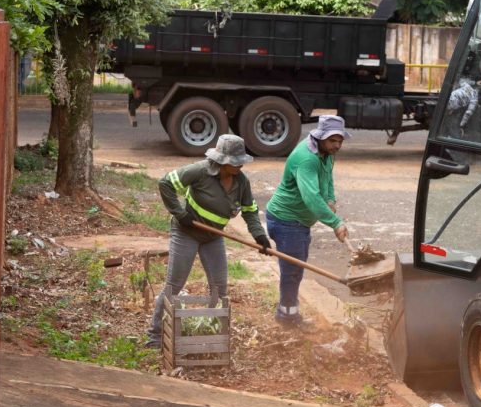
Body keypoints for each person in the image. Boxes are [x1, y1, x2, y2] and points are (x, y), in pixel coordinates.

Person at [145, 134, 271, 348]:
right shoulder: (201, 171)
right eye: (235, 161)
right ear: (222, 160)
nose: (240, 165)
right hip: (187, 233)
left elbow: (250, 211)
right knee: (174, 285)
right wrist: (179, 213)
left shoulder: (241, 181)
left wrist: (260, 236)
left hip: (214, 237)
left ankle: (213, 335)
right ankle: (155, 336)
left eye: (242, 160)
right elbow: (166, 182)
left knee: (219, 288)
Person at [266, 115, 350, 325]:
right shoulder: (307, 158)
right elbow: (311, 198)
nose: (337, 145)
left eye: (340, 141)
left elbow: (328, 177)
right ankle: (287, 316)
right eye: (333, 141)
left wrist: (330, 198)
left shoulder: (327, 153)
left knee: (296, 270)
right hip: (286, 221)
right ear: (320, 137)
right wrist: (335, 222)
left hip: (299, 223)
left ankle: (288, 313)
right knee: (292, 272)